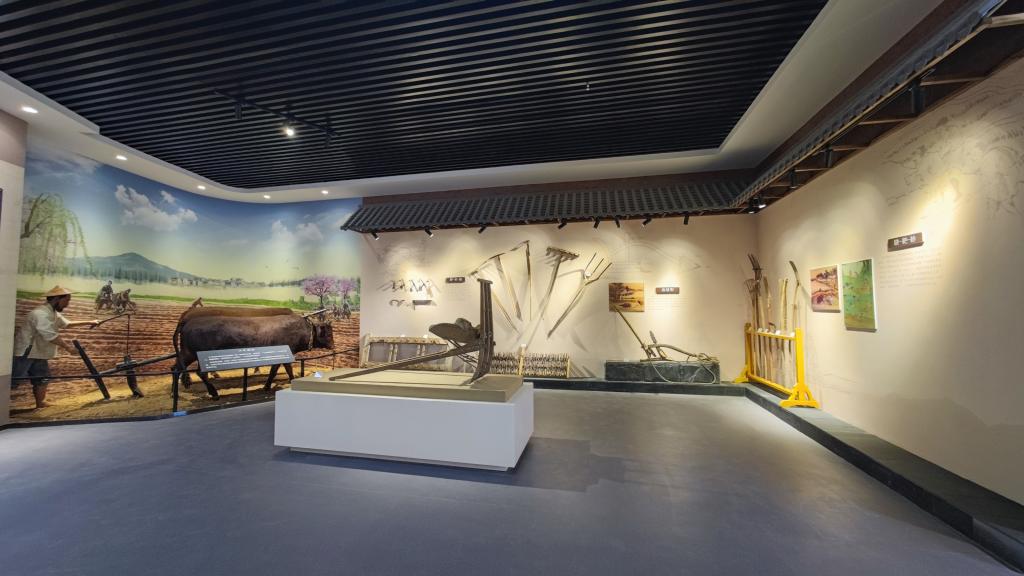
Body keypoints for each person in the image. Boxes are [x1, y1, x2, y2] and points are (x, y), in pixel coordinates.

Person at [12, 286, 99, 409]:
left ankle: (40, 404)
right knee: (12, 380)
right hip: (26, 351)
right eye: (67, 300)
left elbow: (66, 324)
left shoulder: (52, 313)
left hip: (38, 351)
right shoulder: (40, 314)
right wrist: (69, 348)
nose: (67, 304)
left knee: (42, 378)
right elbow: (50, 335)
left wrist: (90, 322)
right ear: (57, 298)